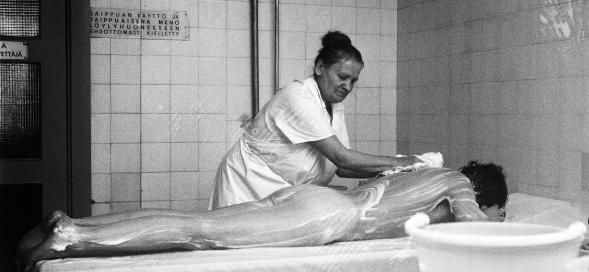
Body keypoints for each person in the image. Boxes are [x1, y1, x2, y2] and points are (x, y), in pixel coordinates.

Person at [18, 162, 508, 270]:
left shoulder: (420, 171)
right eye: (496, 208)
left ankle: (76, 225)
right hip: (330, 218)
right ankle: (71, 236)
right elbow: (478, 232)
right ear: (483, 192)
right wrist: (498, 225)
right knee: (199, 233)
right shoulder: (457, 184)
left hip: (314, 197)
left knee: (197, 223)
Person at [210, 30, 426, 209]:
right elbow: (342, 158)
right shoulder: (297, 95)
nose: (348, 87)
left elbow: (341, 168)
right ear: (320, 68)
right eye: (342, 77)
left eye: (353, 81)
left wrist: (394, 170)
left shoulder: (335, 104)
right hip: (248, 185)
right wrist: (405, 161)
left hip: (284, 193)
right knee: (240, 255)